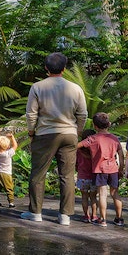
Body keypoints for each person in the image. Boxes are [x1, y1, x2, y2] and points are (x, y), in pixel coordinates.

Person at [22, 51, 87, 225]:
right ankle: (65, 216)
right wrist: (77, 132)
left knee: (38, 173)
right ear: (64, 69)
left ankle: (35, 212)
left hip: (45, 134)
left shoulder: (37, 87)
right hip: (69, 134)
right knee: (66, 175)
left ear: (46, 68)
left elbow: (31, 114)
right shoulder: (75, 88)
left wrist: (31, 132)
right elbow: (83, 114)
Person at [76, 112, 126, 226]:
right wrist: (121, 169)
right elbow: (121, 155)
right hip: (113, 169)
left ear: (95, 126)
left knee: (102, 194)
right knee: (115, 193)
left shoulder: (92, 139)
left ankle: (103, 219)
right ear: (109, 124)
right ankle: (119, 218)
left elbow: (77, 146)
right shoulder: (114, 139)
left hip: (99, 170)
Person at [75, 128, 98, 223]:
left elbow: (76, 163)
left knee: (84, 197)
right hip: (94, 177)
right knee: (93, 197)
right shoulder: (95, 152)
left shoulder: (79, 151)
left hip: (82, 177)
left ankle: (86, 215)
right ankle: (94, 215)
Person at [0, 129, 17, 208]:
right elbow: (15, 146)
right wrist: (12, 137)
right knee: (9, 188)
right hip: (6, 174)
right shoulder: (8, 154)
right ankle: (11, 202)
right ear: (8, 146)